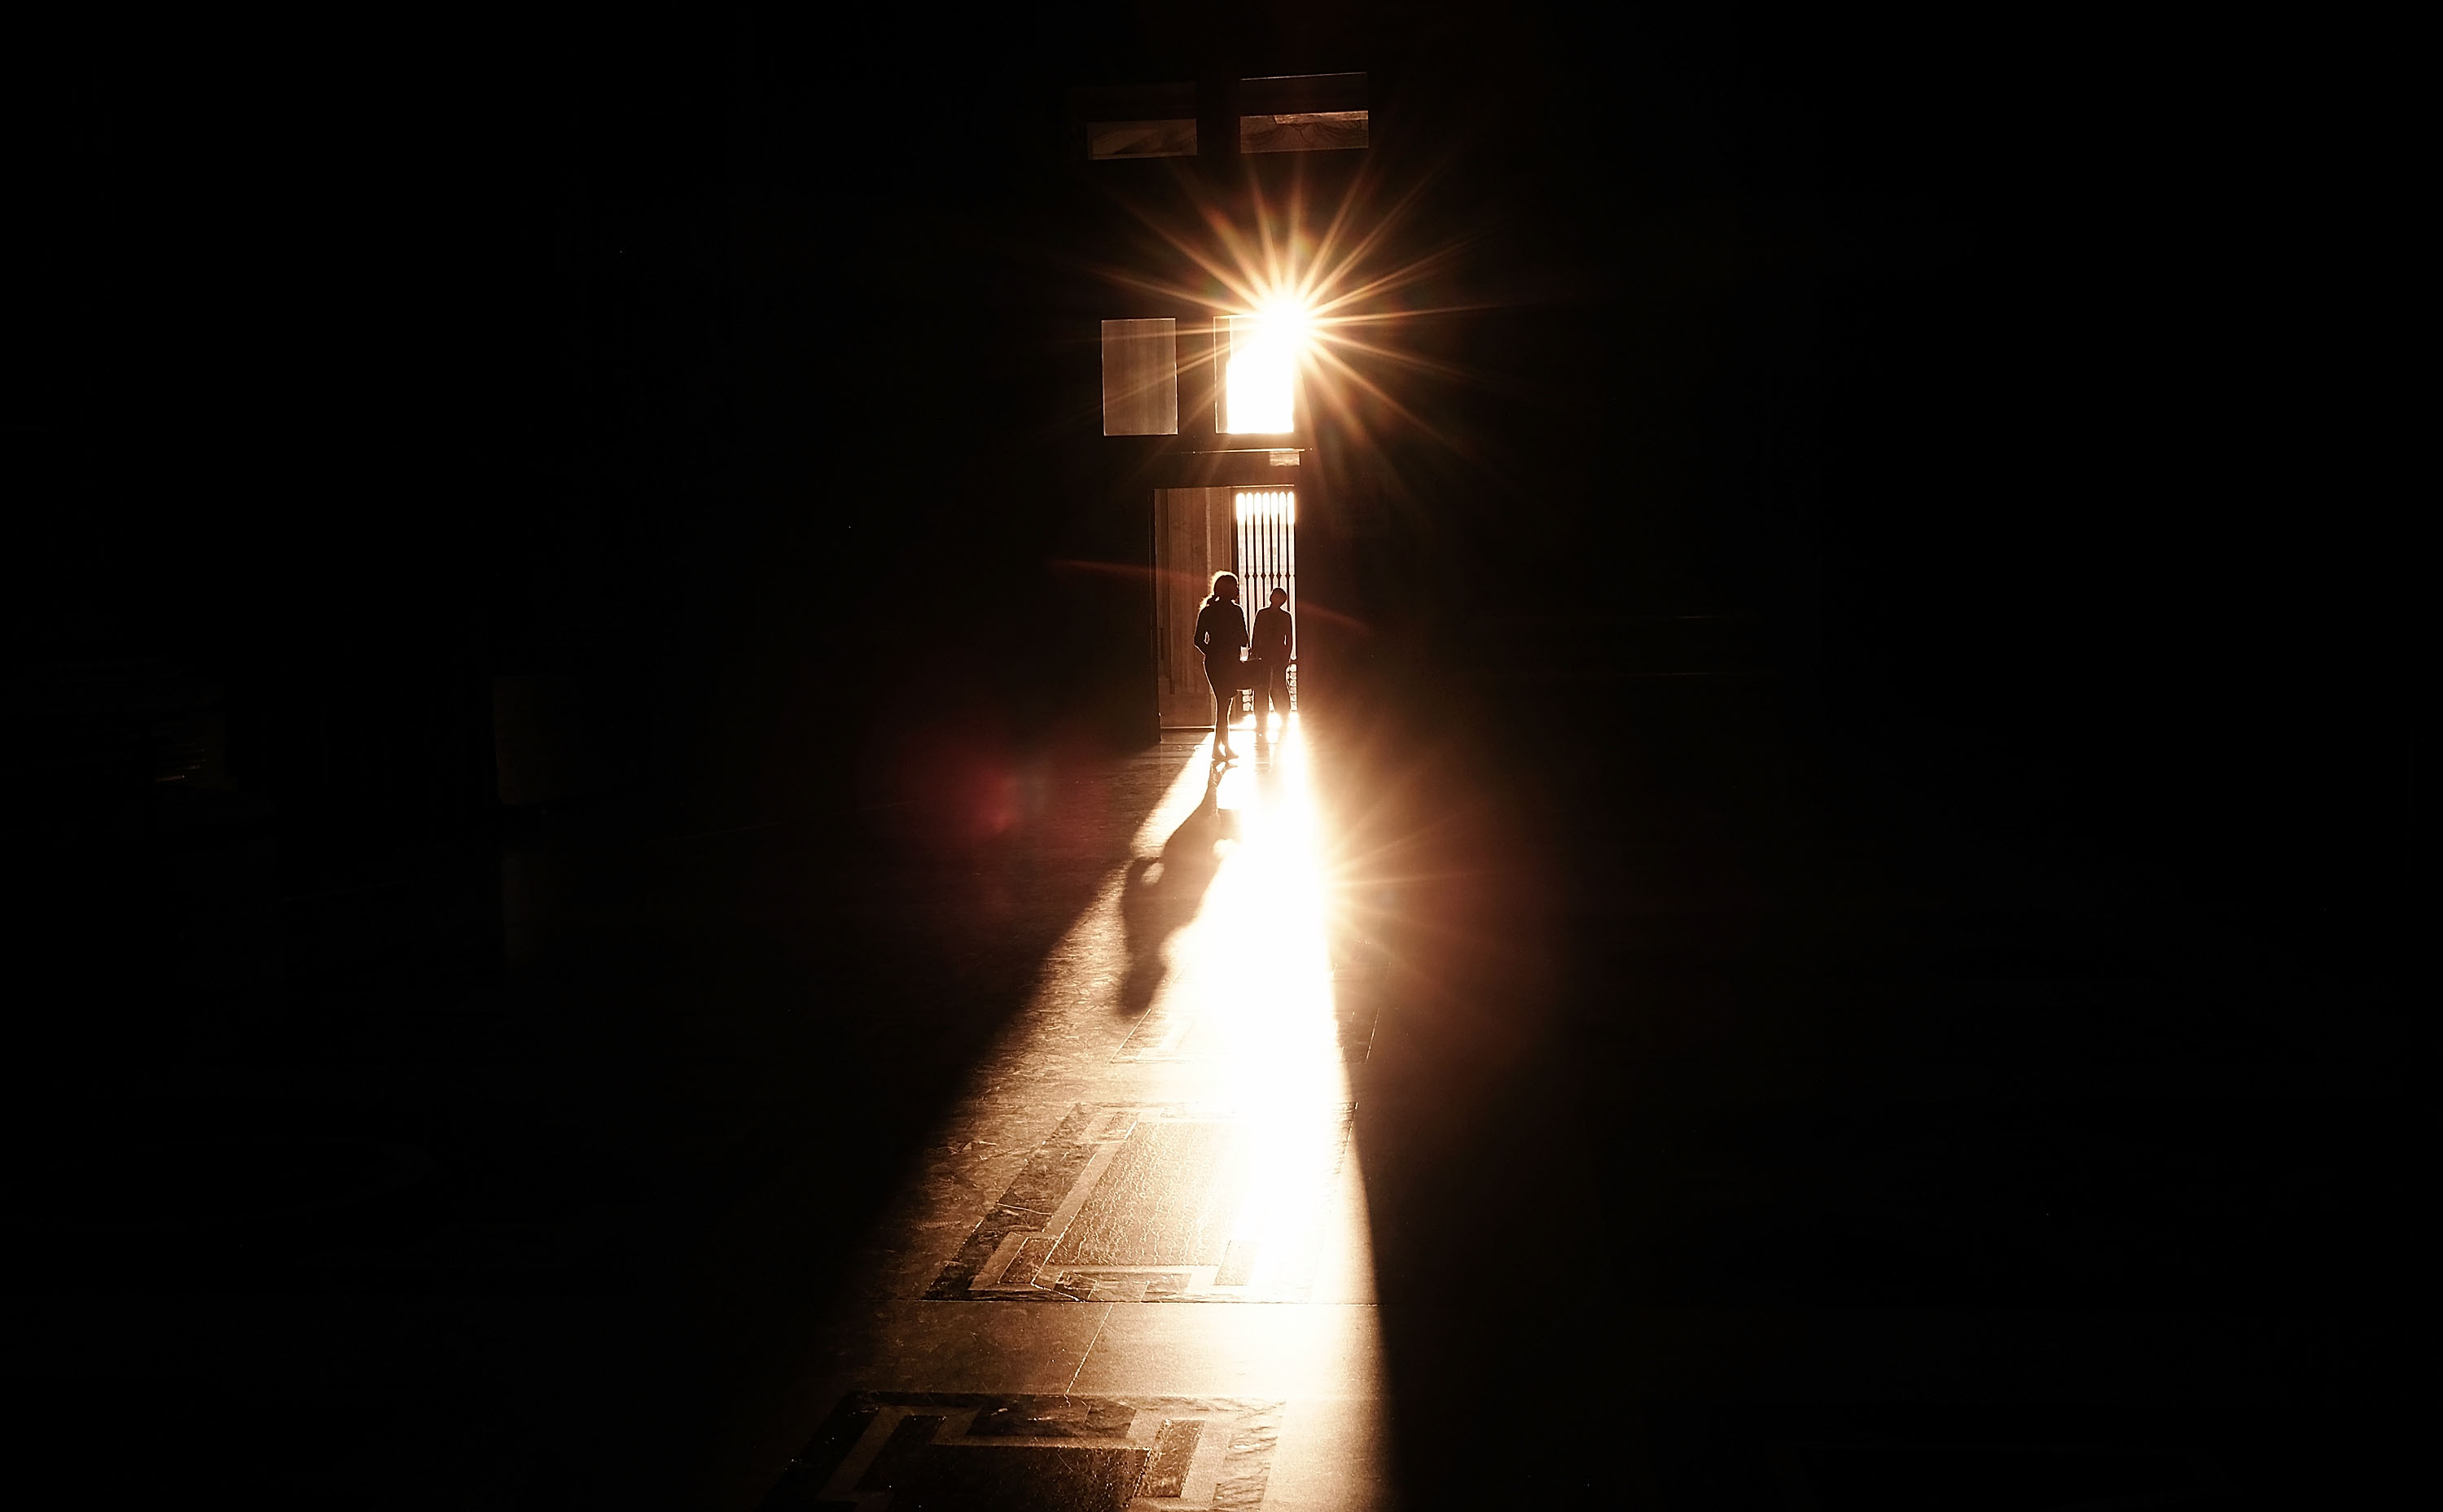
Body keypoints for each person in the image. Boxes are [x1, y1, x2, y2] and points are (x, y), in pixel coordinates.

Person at [1192, 572, 1248, 759]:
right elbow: (1244, 639)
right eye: (1235, 586)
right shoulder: (1236, 611)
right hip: (1230, 661)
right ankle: (1220, 748)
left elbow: (1198, 640)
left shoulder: (1208, 611)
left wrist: (1213, 652)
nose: (1237, 590)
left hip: (1215, 663)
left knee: (1223, 704)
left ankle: (1222, 747)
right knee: (1225, 704)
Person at [1248, 585, 1294, 743]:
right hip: (1274, 657)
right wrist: (1286, 657)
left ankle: (1262, 722)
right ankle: (1282, 719)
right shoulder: (1285, 617)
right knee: (1279, 689)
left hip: (1265, 657)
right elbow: (1289, 640)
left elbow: (1256, 635)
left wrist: (1254, 653)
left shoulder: (1263, 614)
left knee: (1263, 690)